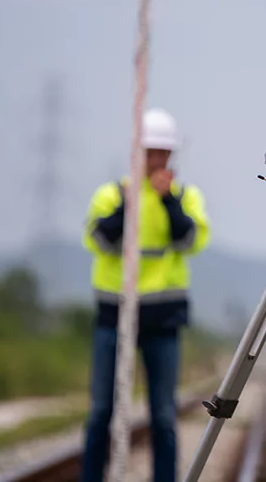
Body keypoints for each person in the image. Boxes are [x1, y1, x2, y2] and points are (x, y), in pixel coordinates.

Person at [80, 108, 211, 482]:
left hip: (163, 321)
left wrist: (167, 200)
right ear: (137, 152)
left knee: (163, 415)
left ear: (171, 156)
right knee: (101, 411)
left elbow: (190, 239)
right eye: (150, 151)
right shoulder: (111, 195)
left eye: (162, 152)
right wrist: (129, 202)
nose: (156, 159)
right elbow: (100, 239)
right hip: (113, 317)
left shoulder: (185, 197)